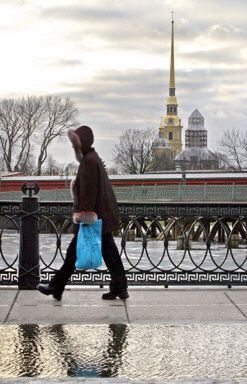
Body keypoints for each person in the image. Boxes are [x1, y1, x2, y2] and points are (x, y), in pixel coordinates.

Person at [38, 125, 128, 301]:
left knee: (74, 253)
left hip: (92, 218)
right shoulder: (94, 158)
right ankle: (120, 288)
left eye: (75, 146)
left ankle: (56, 287)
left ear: (82, 145)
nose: (74, 150)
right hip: (102, 215)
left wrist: (84, 215)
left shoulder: (88, 162)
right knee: (110, 255)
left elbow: (88, 191)